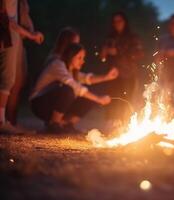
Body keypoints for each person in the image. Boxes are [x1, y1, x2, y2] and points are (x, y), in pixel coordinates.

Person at [30, 43, 118, 133]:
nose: (82, 61)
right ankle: (54, 124)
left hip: (50, 104)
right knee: (68, 90)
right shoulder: (58, 64)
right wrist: (98, 99)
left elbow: (87, 78)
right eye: (79, 58)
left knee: (88, 97)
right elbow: (74, 86)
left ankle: (68, 124)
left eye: (83, 58)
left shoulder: (71, 70)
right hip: (39, 104)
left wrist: (106, 77)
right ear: (70, 56)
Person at [0, 0, 44, 134]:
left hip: (11, 33)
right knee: (7, 78)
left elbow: (18, 15)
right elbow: (6, 19)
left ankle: (6, 120)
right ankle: (1, 122)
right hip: (6, 32)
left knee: (10, 79)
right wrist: (30, 35)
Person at [100, 11, 143, 124]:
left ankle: (126, 125)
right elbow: (103, 58)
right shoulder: (110, 38)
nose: (117, 23)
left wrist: (118, 51)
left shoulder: (132, 37)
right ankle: (112, 125)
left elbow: (138, 54)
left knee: (126, 100)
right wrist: (104, 54)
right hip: (113, 75)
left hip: (128, 74)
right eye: (115, 21)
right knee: (113, 99)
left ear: (125, 22)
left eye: (119, 21)